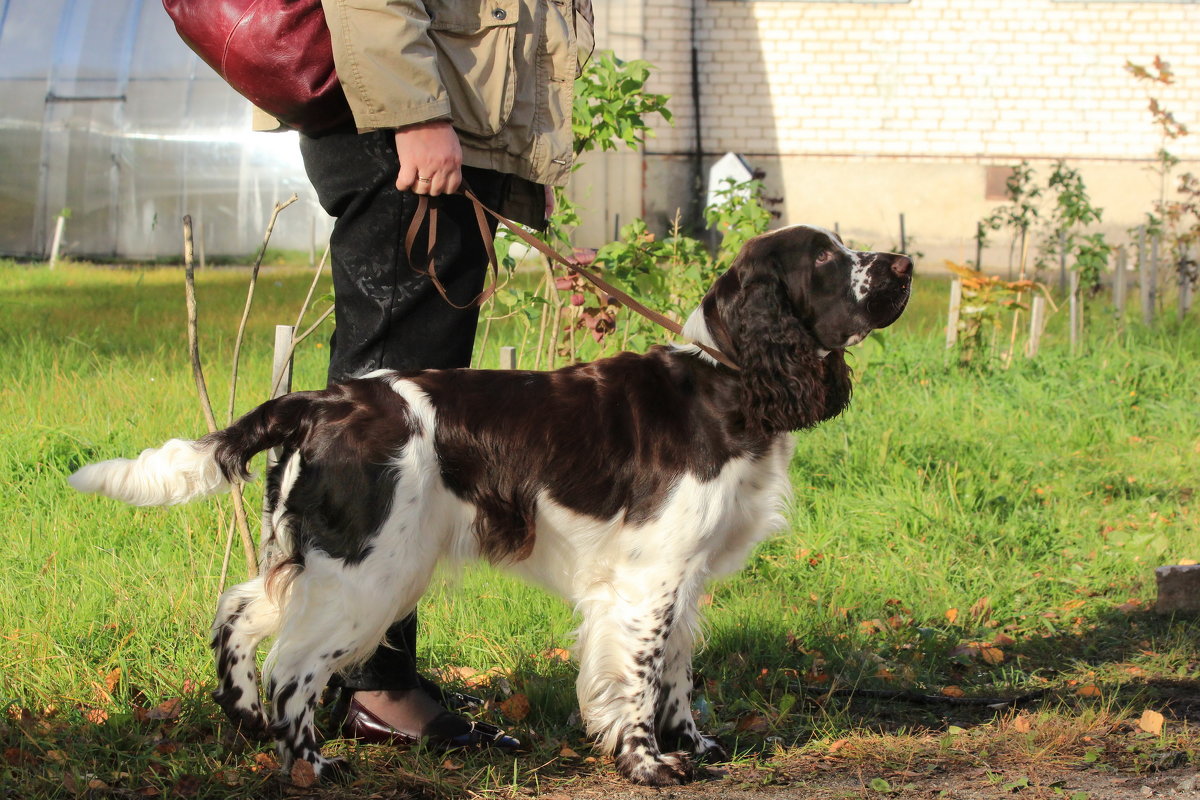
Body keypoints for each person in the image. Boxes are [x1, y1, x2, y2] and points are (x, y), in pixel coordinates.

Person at [284, 0, 594, 751]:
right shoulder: (412, 117)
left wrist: (526, 153)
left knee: (407, 419)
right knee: (385, 425)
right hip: (409, 126)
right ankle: (368, 685)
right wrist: (415, 112)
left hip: (443, 122)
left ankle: (351, 666)